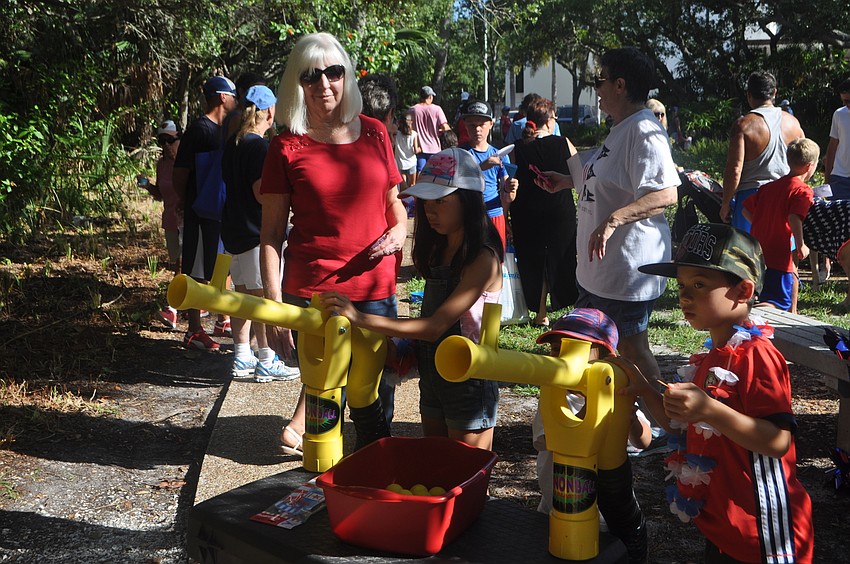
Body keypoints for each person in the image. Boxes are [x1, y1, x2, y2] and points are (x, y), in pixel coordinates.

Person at [259, 32, 407, 456]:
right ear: (297, 85)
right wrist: (274, 309)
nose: (324, 84)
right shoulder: (285, 146)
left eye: (333, 72)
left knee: (370, 395)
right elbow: (270, 235)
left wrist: (399, 231)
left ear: (347, 77)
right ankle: (323, 477)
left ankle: (373, 473)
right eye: (311, 76)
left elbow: (394, 203)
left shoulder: (376, 133)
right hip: (312, 294)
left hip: (376, 293)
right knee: (324, 396)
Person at [633, 222, 813, 563]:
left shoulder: (757, 355)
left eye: (700, 284)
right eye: (682, 284)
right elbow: (679, 427)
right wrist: (642, 387)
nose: (685, 295)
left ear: (743, 291)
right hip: (724, 525)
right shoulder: (712, 356)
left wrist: (710, 410)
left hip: (763, 532)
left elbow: (779, 442)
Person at [320, 148, 503, 450]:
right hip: (432, 375)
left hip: (469, 380)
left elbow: (435, 325)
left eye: (441, 201)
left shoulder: (483, 257)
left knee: (463, 475)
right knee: (436, 467)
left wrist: (361, 317)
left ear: (468, 201)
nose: (430, 211)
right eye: (426, 202)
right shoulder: (439, 248)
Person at [535, 47, 679, 393]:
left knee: (630, 351)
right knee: (594, 349)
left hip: (625, 273)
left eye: (599, 81)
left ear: (620, 85)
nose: (595, 89)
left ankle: (664, 422)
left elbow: (665, 194)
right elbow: (611, 179)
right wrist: (566, 180)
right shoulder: (621, 129)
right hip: (600, 273)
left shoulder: (644, 131)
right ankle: (619, 425)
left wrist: (614, 220)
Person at [531, 309, 651, 562]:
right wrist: (592, 407)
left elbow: (644, 441)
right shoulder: (553, 395)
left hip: (605, 513)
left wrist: (631, 422)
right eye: (556, 350)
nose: (563, 358)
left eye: (575, 350)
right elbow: (547, 441)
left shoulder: (619, 393)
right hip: (557, 505)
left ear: (607, 358)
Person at [221, 85, 300, 383]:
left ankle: (242, 354)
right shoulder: (259, 147)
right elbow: (261, 193)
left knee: (241, 295)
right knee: (263, 296)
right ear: (268, 111)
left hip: (233, 230)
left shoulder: (233, 143)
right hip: (256, 232)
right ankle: (267, 357)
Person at [173, 75, 238, 351]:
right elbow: (180, 174)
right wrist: (187, 201)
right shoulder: (199, 130)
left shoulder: (229, 130)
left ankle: (222, 318)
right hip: (200, 212)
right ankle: (193, 329)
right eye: (234, 95)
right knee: (196, 271)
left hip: (222, 214)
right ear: (222, 97)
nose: (237, 101)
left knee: (222, 267)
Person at [511, 96, 579, 326]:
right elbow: (582, 175)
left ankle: (540, 313)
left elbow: (510, 179)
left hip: (526, 211)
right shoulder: (563, 143)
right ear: (550, 121)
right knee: (560, 258)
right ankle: (565, 306)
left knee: (533, 261)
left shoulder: (518, 147)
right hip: (559, 209)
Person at [721, 70, 804, 233]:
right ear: (774, 93)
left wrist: (725, 203)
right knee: (783, 254)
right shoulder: (793, 123)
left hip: (751, 198)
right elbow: (807, 160)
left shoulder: (744, 125)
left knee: (747, 254)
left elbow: (734, 169)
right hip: (784, 195)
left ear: (749, 95)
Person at [743, 138, 819, 313]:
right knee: (776, 302)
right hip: (780, 249)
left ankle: (793, 312)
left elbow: (745, 210)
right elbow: (794, 217)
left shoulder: (769, 187)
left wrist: (762, 223)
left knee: (776, 284)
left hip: (759, 247)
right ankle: (752, 313)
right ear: (810, 166)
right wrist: (801, 244)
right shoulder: (802, 190)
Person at [140, 120, 182, 329]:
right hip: (170, 220)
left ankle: (172, 309)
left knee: (184, 264)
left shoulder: (186, 160)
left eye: (170, 140)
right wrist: (147, 185)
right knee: (177, 263)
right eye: (162, 141)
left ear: (178, 139)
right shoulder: (162, 164)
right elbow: (161, 194)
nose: (166, 145)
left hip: (188, 220)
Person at [460, 100, 518, 250]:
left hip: (494, 215)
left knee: (495, 263)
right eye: (472, 125)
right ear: (465, 125)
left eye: (481, 124)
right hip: (468, 216)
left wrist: (511, 188)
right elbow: (455, 183)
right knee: (469, 264)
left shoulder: (500, 155)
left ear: (491, 124)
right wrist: (481, 167)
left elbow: (508, 195)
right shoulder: (460, 154)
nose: (477, 129)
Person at [409, 85, 451, 172]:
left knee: (420, 174)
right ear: (430, 97)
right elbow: (445, 128)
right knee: (434, 174)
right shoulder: (437, 109)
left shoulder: (412, 110)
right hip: (434, 148)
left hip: (419, 148)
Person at [825, 77, 850, 200]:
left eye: (848, 101)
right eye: (844, 101)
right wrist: (827, 179)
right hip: (840, 178)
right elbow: (832, 146)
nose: (846, 105)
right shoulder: (839, 114)